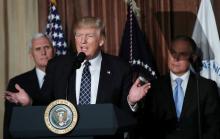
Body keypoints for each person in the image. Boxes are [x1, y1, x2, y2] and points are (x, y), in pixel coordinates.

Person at [5, 17, 150, 138]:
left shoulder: (119, 68)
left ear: (101, 41)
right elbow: (46, 103)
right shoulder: (58, 66)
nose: (82, 41)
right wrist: (29, 102)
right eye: (78, 35)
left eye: (89, 36)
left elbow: (125, 115)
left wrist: (131, 101)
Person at [137, 35, 220, 139]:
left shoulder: (206, 87)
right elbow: (145, 126)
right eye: (173, 53)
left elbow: (213, 127)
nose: (175, 58)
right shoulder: (153, 87)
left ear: (193, 58)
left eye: (182, 54)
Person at [4, 33, 54, 139]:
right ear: (31, 55)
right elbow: (9, 123)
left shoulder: (67, 79)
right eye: (38, 49)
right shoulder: (17, 83)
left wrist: (31, 103)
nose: (43, 52)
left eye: (47, 47)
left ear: (54, 50)